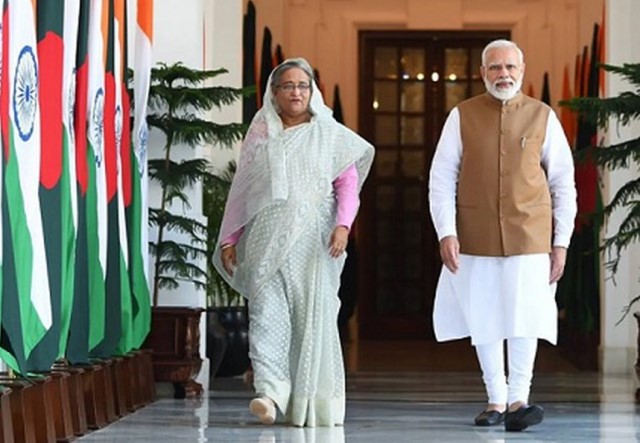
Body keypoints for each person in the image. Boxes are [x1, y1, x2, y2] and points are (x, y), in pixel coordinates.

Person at [213, 58, 374, 427]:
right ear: (275, 92)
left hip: (315, 243)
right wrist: (230, 239)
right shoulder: (261, 134)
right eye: (288, 86)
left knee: (309, 320)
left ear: (312, 90)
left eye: (303, 85)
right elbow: (243, 192)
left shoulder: (330, 133)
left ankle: (308, 400)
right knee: (266, 314)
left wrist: (343, 226)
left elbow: (347, 186)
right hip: (265, 240)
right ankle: (268, 393)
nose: (296, 92)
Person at [428, 39, 577, 432]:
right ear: (482, 73)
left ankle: (519, 400)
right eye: (495, 68)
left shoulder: (543, 116)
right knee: (486, 316)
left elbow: (563, 183)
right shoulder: (462, 116)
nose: (503, 74)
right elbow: (441, 178)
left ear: (522, 70)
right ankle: (495, 398)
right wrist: (446, 231)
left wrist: (560, 241)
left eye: (510, 67)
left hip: (531, 234)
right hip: (475, 233)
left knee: (524, 317)